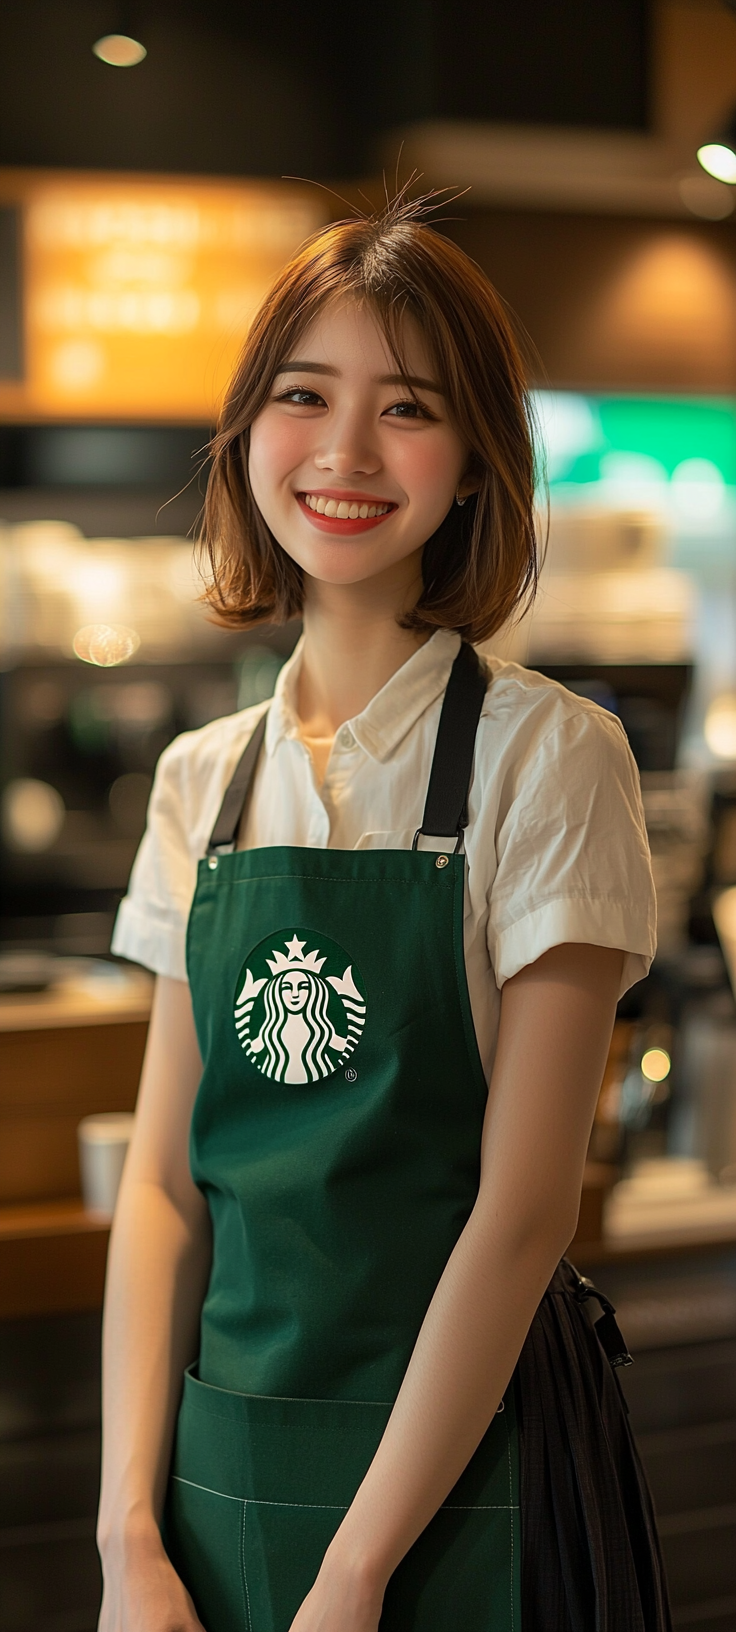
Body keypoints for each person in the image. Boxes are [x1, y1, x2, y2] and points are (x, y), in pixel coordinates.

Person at [98, 197, 671, 1632]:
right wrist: (126, 1538)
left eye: (406, 407)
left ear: (475, 460)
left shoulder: (552, 758)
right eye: (305, 396)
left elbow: (523, 1209)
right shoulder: (199, 782)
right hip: (211, 1484)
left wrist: (357, 1576)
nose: (346, 454)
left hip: (464, 1492)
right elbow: (165, 1194)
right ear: (246, 435)